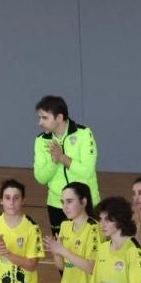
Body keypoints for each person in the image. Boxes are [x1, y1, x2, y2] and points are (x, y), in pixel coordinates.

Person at [32, 95, 100, 236]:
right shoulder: (41, 141)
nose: (40, 122)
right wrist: (54, 160)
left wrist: (62, 158)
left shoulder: (84, 134)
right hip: (57, 205)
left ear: (59, 118)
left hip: (86, 203)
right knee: (60, 249)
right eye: (40, 117)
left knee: (92, 250)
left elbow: (87, 171)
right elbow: (40, 177)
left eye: (45, 118)